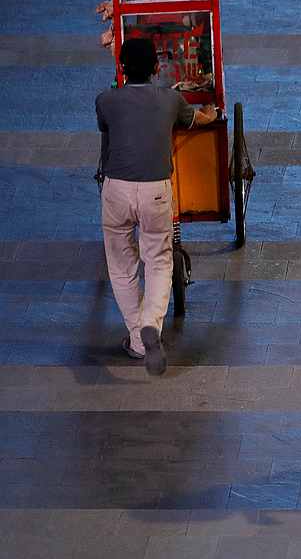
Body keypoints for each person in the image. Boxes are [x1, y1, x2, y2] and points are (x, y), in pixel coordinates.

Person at [96, 38, 218, 375]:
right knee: (160, 259)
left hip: (116, 189)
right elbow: (197, 120)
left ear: (121, 68)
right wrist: (212, 114)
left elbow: (108, 135)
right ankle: (151, 322)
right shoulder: (171, 99)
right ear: (155, 68)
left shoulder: (105, 101)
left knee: (121, 265)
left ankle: (137, 338)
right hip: (156, 192)